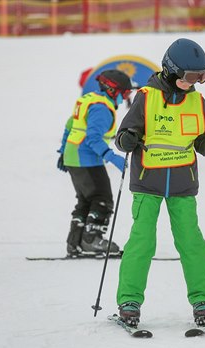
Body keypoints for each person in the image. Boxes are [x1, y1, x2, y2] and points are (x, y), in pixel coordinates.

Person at [113, 38, 205, 328]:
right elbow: (123, 135)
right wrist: (126, 139)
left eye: (202, 76)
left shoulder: (197, 101)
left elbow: (203, 139)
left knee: (191, 242)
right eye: (192, 77)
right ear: (171, 70)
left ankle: (203, 300)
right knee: (142, 242)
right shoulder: (146, 97)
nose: (196, 83)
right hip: (147, 182)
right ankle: (129, 301)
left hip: (182, 183)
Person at [57, 69, 133, 256]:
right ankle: (91, 240)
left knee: (85, 200)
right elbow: (93, 138)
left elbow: (70, 126)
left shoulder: (88, 99)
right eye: (124, 94)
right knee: (102, 199)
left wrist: (63, 152)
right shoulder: (102, 108)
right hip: (87, 159)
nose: (124, 99)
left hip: (74, 156)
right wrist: (112, 156)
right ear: (113, 90)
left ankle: (75, 242)